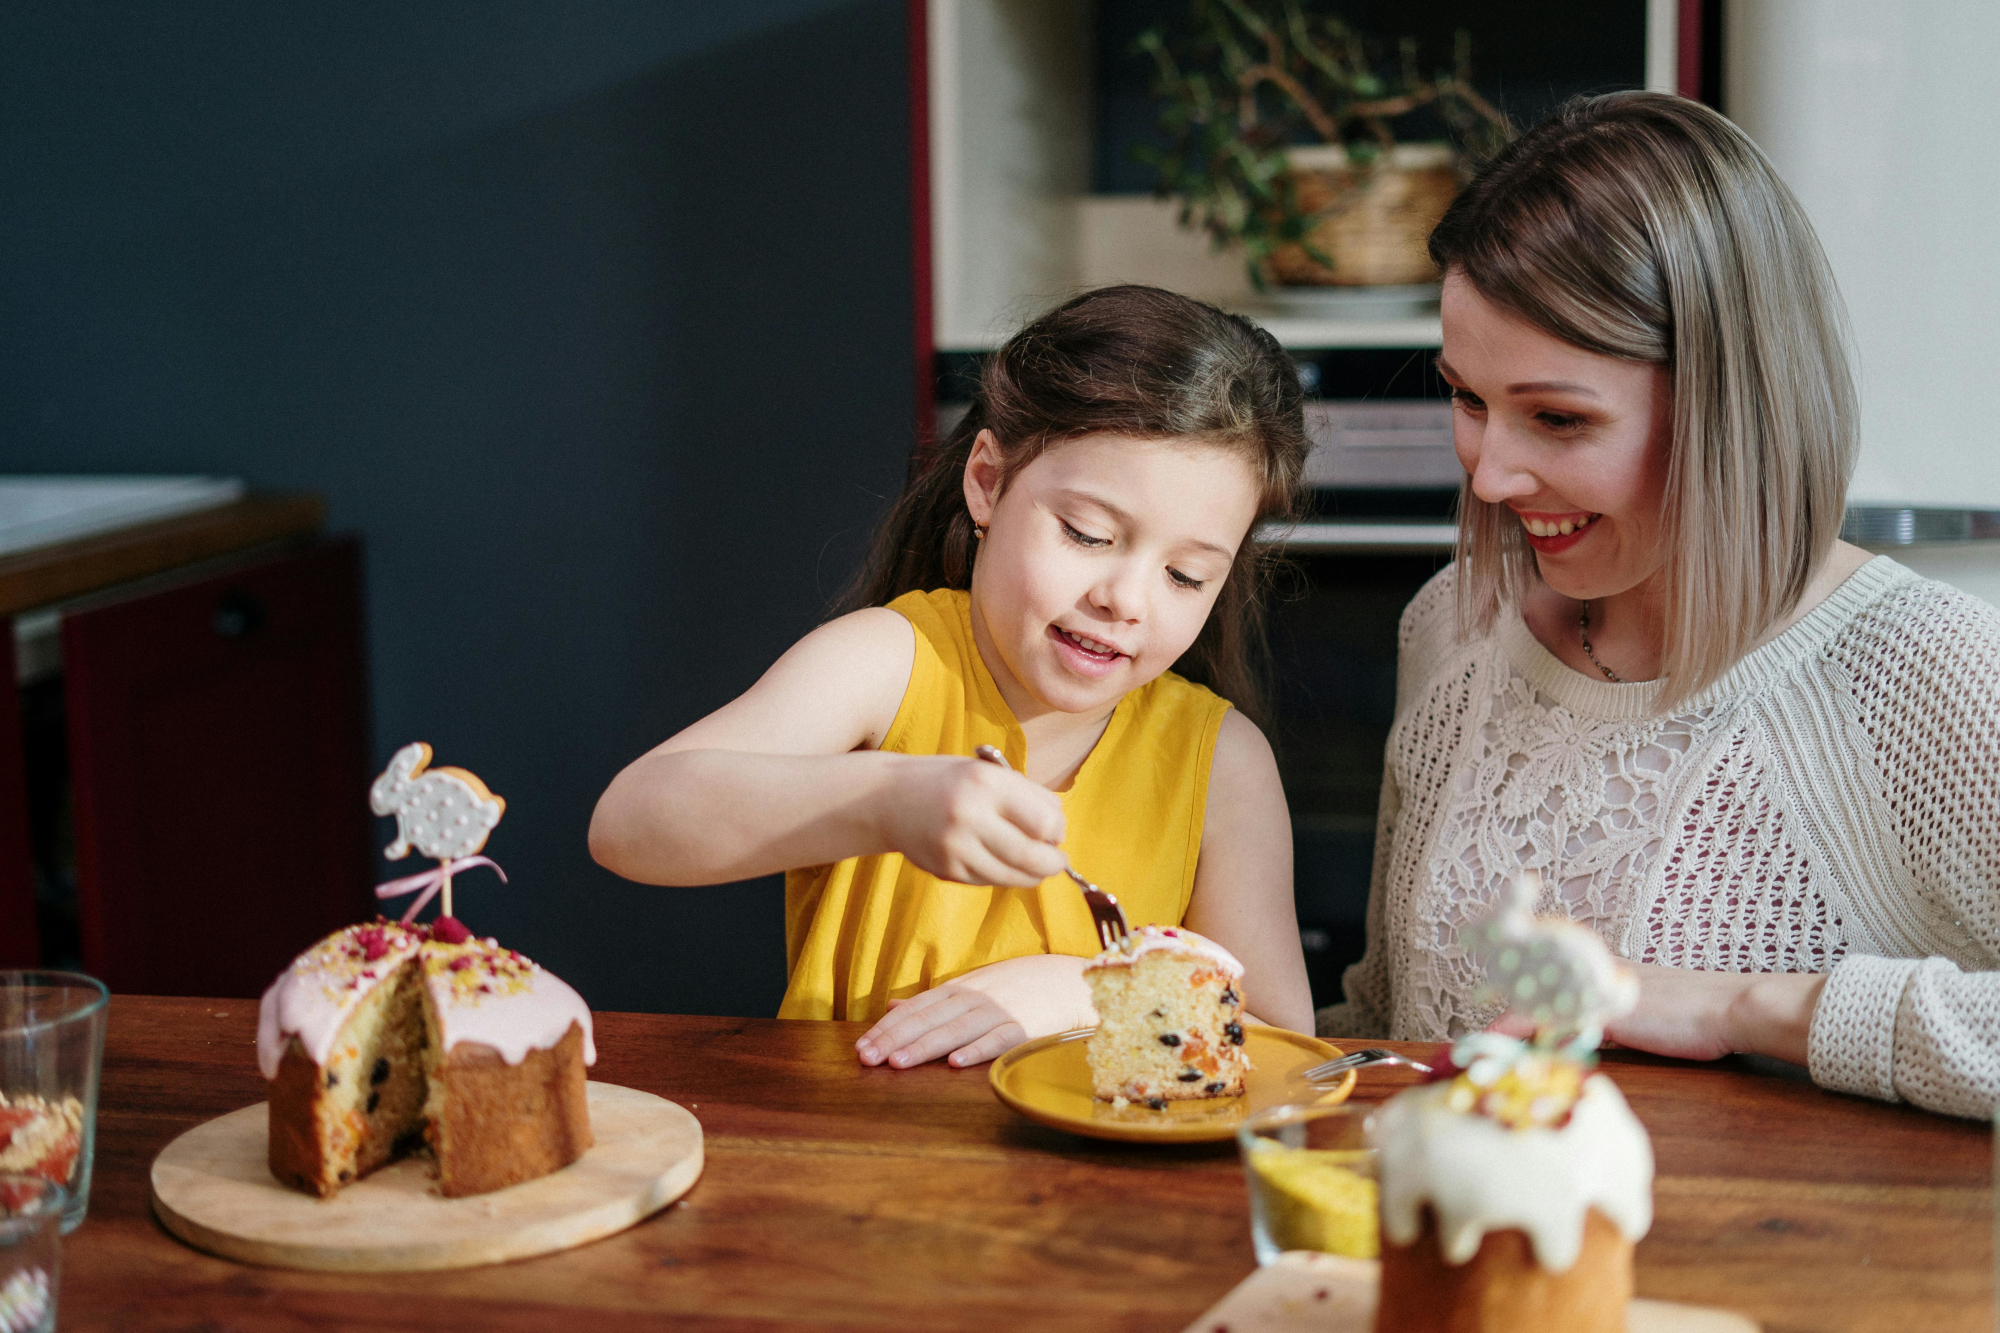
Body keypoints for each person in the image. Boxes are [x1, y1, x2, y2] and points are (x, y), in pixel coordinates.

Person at [1319, 92, 2000, 1118]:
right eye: (1466, 398)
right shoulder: (1451, 623)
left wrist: (1745, 1009)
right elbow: (1384, 1021)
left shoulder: (1924, 674)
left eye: (1554, 416)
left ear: (1728, 403)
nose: (1491, 474)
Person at [593, 285, 1316, 1069]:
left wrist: (1090, 988)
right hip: (862, 1157)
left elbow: (1284, 1037)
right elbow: (629, 822)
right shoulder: (889, 664)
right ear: (987, 482)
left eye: (1184, 575)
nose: (1124, 600)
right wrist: (887, 799)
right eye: (1088, 533)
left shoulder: (1222, 762)